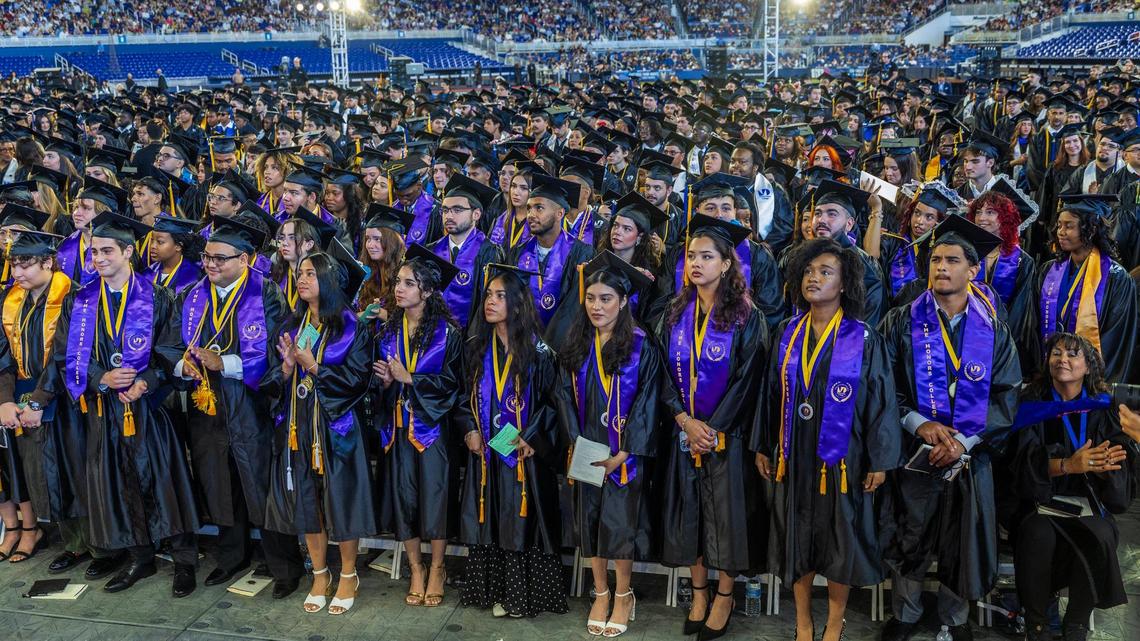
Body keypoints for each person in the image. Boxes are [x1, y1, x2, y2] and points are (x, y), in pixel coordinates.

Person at [38, 212, 200, 597]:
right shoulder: (80, 301)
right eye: (94, 252)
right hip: (104, 409)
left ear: (128, 251)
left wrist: (147, 382)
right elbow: (65, 355)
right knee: (119, 484)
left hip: (151, 410)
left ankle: (184, 562)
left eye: (107, 250)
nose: (99, 258)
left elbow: (172, 350)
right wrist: (100, 378)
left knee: (164, 483)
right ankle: (140, 558)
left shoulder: (157, 297)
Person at [879, 217, 1022, 641]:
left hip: (969, 457)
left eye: (952, 260)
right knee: (911, 533)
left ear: (972, 270)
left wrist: (963, 441)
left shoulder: (992, 327)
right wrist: (920, 425)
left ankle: (953, 619)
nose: (941, 267)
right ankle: (905, 615)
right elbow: (885, 387)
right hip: (914, 453)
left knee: (964, 540)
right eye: (936, 259)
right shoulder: (902, 321)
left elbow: (1007, 393)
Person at [753, 237, 900, 641]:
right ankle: (803, 622)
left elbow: (881, 400)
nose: (813, 278)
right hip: (794, 454)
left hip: (842, 459)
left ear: (844, 283)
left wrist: (880, 460)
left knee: (841, 540)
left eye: (825, 272)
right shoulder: (786, 332)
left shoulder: (863, 337)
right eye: (808, 271)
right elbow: (770, 393)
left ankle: (834, 623)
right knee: (796, 537)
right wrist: (765, 445)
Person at [173, 215, 306, 600]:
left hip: (251, 406)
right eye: (208, 257)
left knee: (261, 484)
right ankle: (231, 557)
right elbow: (168, 345)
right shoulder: (193, 295)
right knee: (220, 481)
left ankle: (283, 565)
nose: (210, 264)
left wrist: (225, 364)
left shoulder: (265, 294)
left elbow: (276, 351)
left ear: (245, 258)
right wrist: (185, 365)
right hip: (207, 406)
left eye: (220, 258)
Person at [657, 215, 768, 641]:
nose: (696, 263)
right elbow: (662, 374)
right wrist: (685, 421)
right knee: (690, 519)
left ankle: (725, 595)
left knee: (724, 522)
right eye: (691, 256)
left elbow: (748, 379)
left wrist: (713, 428)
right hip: (684, 435)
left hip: (727, 440)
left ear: (726, 264)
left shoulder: (746, 315)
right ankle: (698, 593)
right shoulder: (675, 310)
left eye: (707, 256)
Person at [263, 244, 377, 615]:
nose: (302, 279)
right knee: (307, 504)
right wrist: (283, 371)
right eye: (299, 274)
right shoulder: (290, 325)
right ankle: (320, 573)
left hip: (337, 430)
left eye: (311, 274)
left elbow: (359, 382)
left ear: (329, 281)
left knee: (339, 503)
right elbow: (271, 382)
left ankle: (347, 574)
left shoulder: (351, 327)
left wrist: (313, 367)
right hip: (297, 430)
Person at [557, 252, 663, 637]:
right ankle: (599, 592)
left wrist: (625, 450)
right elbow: (562, 398)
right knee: (590, 522)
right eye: (590, 298)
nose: (596, 306)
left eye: (605, 299)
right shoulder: (577, 341)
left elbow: (648, 400)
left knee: (619, 526)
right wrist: (576, 441)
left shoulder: (640, 345)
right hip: (588, 447)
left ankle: (623, 594)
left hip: (624, 453)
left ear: (622, 302)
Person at [457, 263, 568, 619]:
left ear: (518, 304)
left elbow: (556, 402)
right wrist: (469, 428)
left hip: (525, 458)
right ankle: (491, 591)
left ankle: (523, 597)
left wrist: (533, 436)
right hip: (486, 455)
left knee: (520, 520)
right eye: (488, 295)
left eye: (500, 296)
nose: (490, 301)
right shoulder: (475, 348)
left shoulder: (539, 353)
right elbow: (462, 399)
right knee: (490, 515)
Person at [1006, 332, 1133, 641]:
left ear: (1088, 367)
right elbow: (1018, 464)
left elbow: (1119, 464)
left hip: (1086, 503)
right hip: (1038, 503)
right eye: (1057, 353)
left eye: (1073, 354)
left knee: (1102, 533)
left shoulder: (1103, 409)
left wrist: (1103, 470)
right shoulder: (1030, 405)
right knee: (1037, 533)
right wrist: (1067, 465)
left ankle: (1075, 623)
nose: (1063, 359)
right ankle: (1037, 625)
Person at [375, 245, 464, 608]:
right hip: (398, 429)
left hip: (433, 432)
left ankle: (438, 567)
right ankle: (415, 568)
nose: (399, 289)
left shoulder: (448, 334)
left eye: (409, 284)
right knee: (405, 499)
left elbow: (454, 385)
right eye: (398, 281)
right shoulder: (386, 330)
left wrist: (410, 378)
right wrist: (384, 382)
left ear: (427, 291)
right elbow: (379, 384)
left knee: (435, 499)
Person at [0, 229, 74, 567]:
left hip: (62, 397)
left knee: (66, 468)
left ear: (49, 261)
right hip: (20, 395)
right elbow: (3, 356)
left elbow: (64, 356)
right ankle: (50, 534)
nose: (17, 273)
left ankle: (81, 544)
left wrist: (38, 400)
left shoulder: (71, 298)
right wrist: (4, 400)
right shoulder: (11, 299)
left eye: (25, 265)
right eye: (13, 265)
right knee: (30, 469)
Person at [1036, 194, 1137, 384]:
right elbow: (1034, 323)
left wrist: (1095, 380)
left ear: (1091, 230)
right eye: (1059, 225)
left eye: (1069, 226)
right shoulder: (1048, 270)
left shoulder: (1116, 278)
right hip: (1051, 370)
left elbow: (1116, 338)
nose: (1061, 232)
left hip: (1091, 379)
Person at [507, 175, 594, 350]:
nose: (531, 215)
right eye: (530, 208)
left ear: (559, 213)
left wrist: (549, 345)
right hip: (522, 345)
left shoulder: (580, 252)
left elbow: (574, 307)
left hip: (561, 347)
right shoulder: (518, 251)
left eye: (539, 208)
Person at [428, 174, 504, 329]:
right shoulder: (432, 250)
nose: (449, 216)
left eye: (457, 210)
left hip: (473, 337)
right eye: (445, 210)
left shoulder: (490, 252)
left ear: (476, 214)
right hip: (435, 335)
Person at [144, 215, 204, 296]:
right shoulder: (147, 273)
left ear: (178, 246)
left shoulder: (194, 277)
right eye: (152, 241)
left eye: (160, 242)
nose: (152, 246)